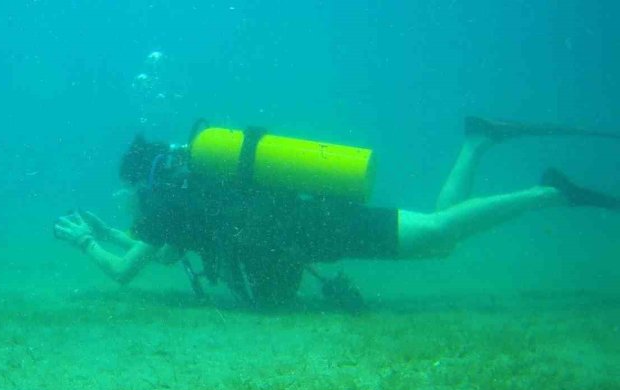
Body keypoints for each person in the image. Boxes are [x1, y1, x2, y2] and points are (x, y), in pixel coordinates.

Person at [54, 117, 619, 307]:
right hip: (313, 221)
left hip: (318, 227)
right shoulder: (192, 186)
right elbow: (163, 253)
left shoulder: (164, 205)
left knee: (441, 233)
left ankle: (552, 192)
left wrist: (84, 243)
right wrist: (109, 231)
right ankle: (477, 141)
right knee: (441, 237)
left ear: (139, 182)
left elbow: (131, 270)